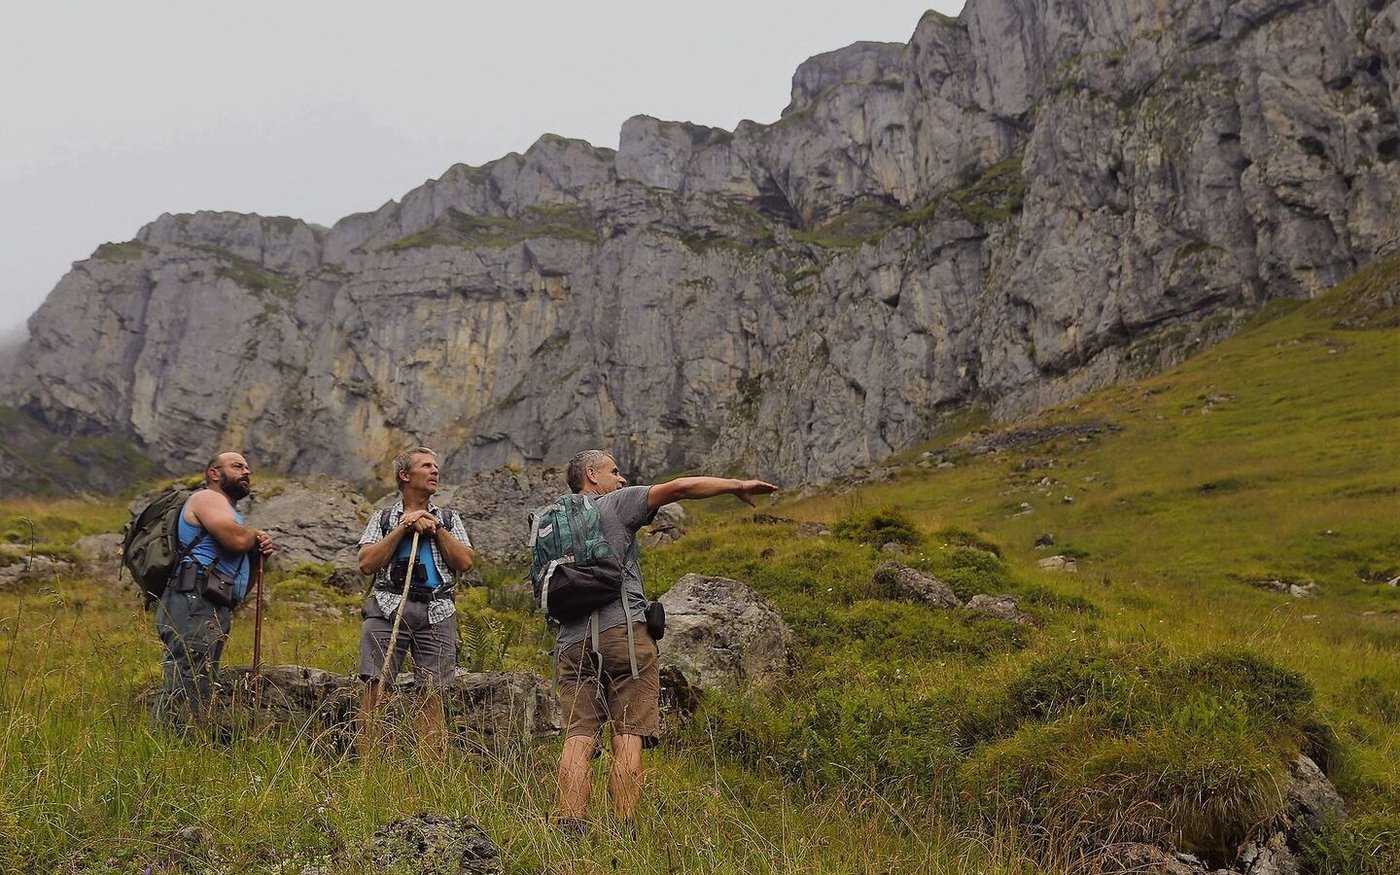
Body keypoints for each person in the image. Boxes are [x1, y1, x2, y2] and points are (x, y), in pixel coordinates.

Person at [553, 449, 776, 834]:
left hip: (571, 645)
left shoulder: (553, 521)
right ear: (591, 475)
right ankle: (623, 830)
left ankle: (569, 828)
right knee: (628, 734)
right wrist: (738, 485)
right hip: (624, 637)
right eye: (614, 471)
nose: (622, 479)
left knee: (578, 736)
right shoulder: (617, 503)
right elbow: (683, 487)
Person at [356, 446, 474, 755]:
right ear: (405, 475)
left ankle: (432, 768)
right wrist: (405, 526)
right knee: (375, 688)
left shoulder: (449, 518)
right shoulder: (382, 518)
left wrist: (434, 528)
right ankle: (370, 764)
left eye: (436, 466)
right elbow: (367, 562)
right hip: (386, 608)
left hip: (438, 609)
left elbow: (464, 561)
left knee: (432, 693)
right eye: (426, 466)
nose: (435, 471)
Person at [151, 452, 275, 727]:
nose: (246, 472)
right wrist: (254, 535)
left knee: (201, 675)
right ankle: (167, 746)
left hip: (210, 602)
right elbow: (234, 540)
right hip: (193, 598)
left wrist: (256, 554)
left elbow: (241, 578)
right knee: (188, 674)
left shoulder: (230, 512)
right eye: (237, 466)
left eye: (247, 467)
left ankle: (188, 743)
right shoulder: (208, 498)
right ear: (214, 474)